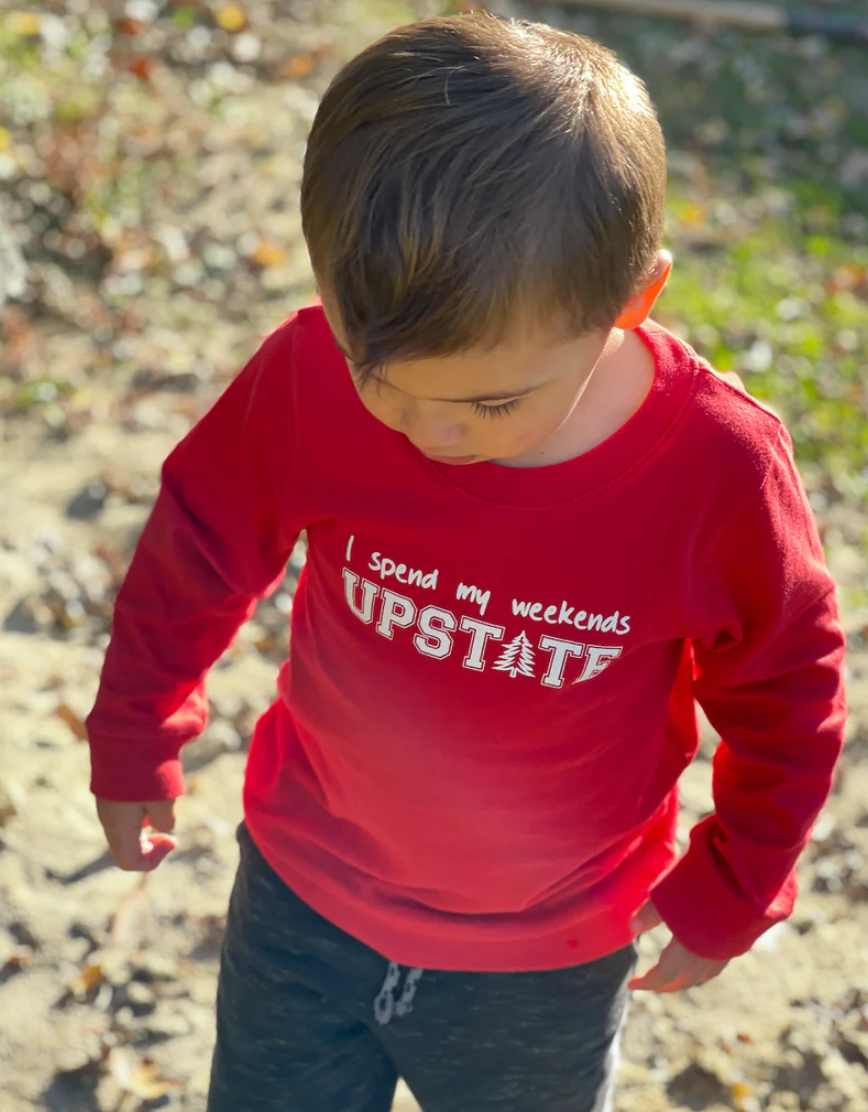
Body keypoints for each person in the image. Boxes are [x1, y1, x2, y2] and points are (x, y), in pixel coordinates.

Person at [86, 13, 846, 1112]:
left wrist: (734, 882)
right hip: (302, 899)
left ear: (630, 301)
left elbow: (789, 691)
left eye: (489, 401)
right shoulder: (303, 375)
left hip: (546, 956)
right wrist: (132, 731)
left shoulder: (716, 472)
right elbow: (197, 543)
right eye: (375, 377)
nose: (424, 433)